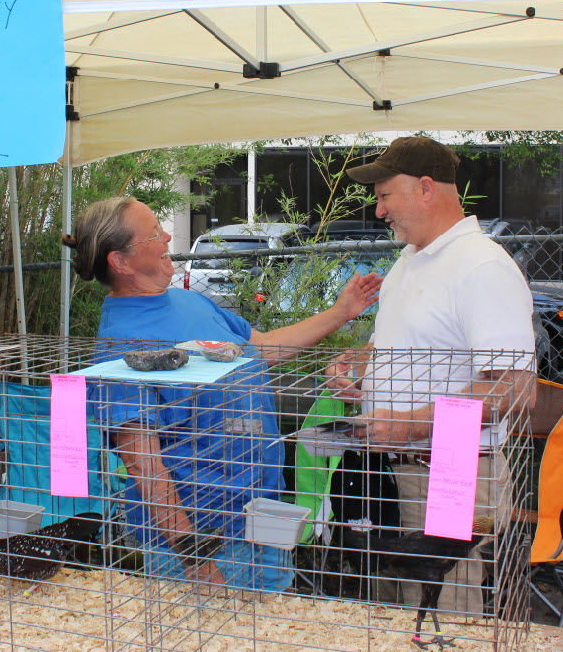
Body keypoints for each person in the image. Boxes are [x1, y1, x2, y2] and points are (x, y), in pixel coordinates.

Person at [63, 196, 380, 592]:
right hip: (205, 538)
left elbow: (263, 349)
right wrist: (196, 560)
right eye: (153, 235)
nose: (167, 236)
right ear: (121, 262)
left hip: (262, 516)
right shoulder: (123, 345)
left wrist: (341, 312)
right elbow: (144, 465)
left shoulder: (189, 299)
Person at [325, 135, 536, 616]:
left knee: (440, 608)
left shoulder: (482, 266)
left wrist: (414, 424)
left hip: (453, 462)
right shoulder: (411, 258)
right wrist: (355, 364)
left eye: (384, 196)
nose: (378, 211)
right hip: (390, 461)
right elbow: (399, 343)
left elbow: (515, 388)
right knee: (389, 606)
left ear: (425, 188)